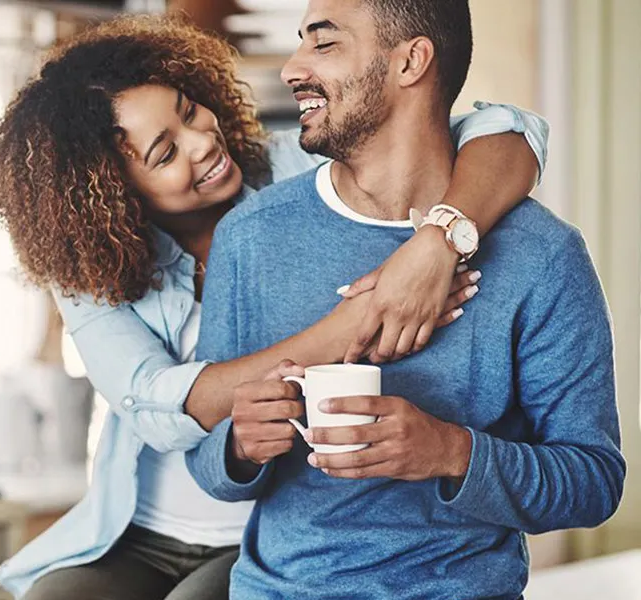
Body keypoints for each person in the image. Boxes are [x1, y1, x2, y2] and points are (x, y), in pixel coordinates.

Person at [0, 13, 549, 600]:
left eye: (189, 109)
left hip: (263, 526)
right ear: (113, 194)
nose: (204, 142)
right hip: (141, 528)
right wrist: (358, 319)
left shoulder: (297, 167)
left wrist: (435, 243)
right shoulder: (87, 269)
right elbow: (157, 402)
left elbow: (508, 130)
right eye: (164, 152)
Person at [185, 1, 625, 598]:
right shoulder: (252, 235)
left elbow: (593, 482)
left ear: (411, 61)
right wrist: (240, 446)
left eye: (324, 43)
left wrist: (449, 451)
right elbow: (208, 462)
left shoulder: (542, 255)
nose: (292, 68)